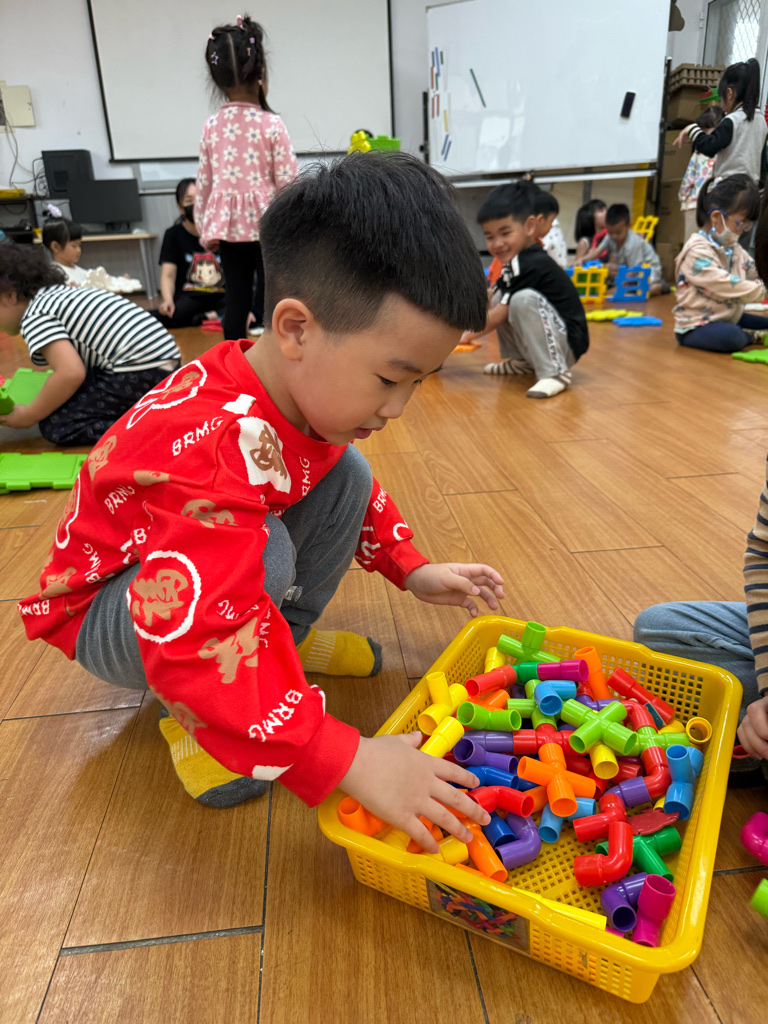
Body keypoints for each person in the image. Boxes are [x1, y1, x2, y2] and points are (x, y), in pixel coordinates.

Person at [17, 153, 504, 851]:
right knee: (264, 553)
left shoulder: (292, 390)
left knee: (347, 472)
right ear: (296, 328)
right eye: (388, 379)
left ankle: (281, 649)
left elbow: (336, 482)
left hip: (187, 586)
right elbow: (195, 629)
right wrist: (346, 757)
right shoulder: (212, 443)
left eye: (417, 383)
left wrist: (410, 566)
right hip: (113, 615)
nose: (398, 407)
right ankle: (204, 716)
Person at [0, 244, 180, 445]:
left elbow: (70, 373)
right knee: (62, 398)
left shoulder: (34, 316)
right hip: (164, 362)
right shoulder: (56, 295)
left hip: (142, 371)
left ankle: (152, 427)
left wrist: (29, 414)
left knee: (57, 424)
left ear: (10, 296)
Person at [195, 15, 299, 341]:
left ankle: (232, 362)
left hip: (228, 229)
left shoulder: (211, 126)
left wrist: (204, 224)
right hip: (269, 224)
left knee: (236, 302)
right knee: (273, 301)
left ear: (217, 80)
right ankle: (274, 361)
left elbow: (204, 184)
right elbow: (288, 182)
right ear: (260, 71)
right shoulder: (271, 124)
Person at [460, 182, 589, 398]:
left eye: (505, 233)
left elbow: (499, 315)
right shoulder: (515, 262)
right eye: (489, 236)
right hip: (557, 337)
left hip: (568, 344)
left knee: (521, 299)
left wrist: (465, 335)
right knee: (500, 297)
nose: (497, 243)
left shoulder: (533, 262)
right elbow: (491, 296)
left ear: (529, 227)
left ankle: (555, 372)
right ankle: (522, 362)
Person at [672, 174, 766, 353]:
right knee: (732, 337)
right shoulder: (696, 251)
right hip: (696, 326)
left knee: (762, 322)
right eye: (740, 223)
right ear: (716, 217)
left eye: (747, 225)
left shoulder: (734, 249)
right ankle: (751, 336)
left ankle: (750, 332)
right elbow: (727, 285)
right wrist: (763, 290)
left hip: (726, 316)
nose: (743, 230)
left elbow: (756, 270)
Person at [674, 59, 766, 185]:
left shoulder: (732, 121)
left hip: (729, 189)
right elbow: (763, 162)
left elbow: (709, 147)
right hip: (751, 189)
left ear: (729, 93)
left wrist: (692, 129)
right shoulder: (761, 121)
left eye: (721, 98)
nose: (721, 105)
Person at [155, 178, 226, 328]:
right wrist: (167, 300)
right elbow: (168, 275)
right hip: (190, 298)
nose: (196, 205)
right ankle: (213, 316)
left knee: (248, 307)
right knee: (167, 315)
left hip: (222, 296)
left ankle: (207, 317)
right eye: (189, 200)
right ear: (180, 207)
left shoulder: (222, 233)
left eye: (200, 199)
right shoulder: (173, 235)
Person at [42, 218, 142, 293]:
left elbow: (100, 285)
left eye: (80, 245)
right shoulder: (54, 276)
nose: (79, 250)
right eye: (74, 246)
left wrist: (119, 283)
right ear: (55, 247)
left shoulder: (80, 271)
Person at [678, 106, 724, 240]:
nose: (703, 134)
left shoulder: (700, 152)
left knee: (694, 244)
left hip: (696, 204)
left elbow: (688, 179)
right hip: (715, 206)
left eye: (706, 129)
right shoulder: (725, 153)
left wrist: (683, 197)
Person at [601, 204, 666, 296]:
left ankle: (659, 286)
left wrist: (618, 289)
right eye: (610, 232)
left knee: (641, 290)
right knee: (607, 267)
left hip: (647, 271)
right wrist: (582, 260)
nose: (614, 236)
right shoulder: (610, 238)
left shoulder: (633, 243)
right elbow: (597, 251)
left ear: (628, 225)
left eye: (618, 233)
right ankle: (630, 287)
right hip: (630, 270)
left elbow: (634, 269)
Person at [533, 190, 568, 268]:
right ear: (540, 220)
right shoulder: (528, 245)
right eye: (551, 221)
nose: (551, 226)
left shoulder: (539, 243)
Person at [572, 198, 607, 265]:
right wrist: (588, 257)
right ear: (590, 216)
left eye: (606, 210)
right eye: (601, 211)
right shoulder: (585, 242)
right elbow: (576, 266)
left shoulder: (611, 237)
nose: (606, 213)